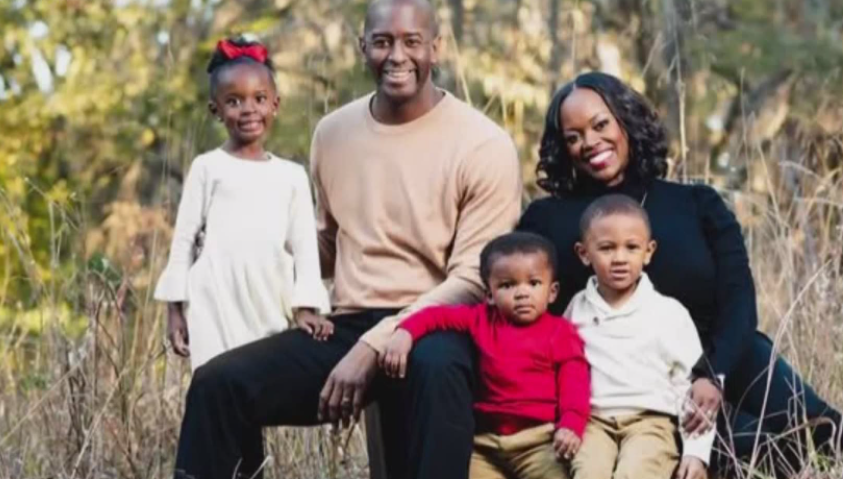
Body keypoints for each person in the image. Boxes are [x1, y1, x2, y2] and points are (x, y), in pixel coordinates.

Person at [170, 1, 522, 478]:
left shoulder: (484, 144)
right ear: (363, 49)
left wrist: (377, 345)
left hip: (437, 327)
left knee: (438, 368)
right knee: (218, 385)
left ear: (436, 48)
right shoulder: (333, 134)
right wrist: (241, 244)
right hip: (349, 326)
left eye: (411, 42)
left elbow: (473, 280)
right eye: (382, 42)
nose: (397, 55)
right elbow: (330, 245)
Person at [518, 71, 843, 477]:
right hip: (635, 388)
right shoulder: (547, 221)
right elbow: (527, 311)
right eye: (573, 136)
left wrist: (714, 374)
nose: (589, 143)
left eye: (600, 125)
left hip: (723, 360)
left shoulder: (697, 204)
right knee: (760, 450)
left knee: (825, 433)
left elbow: (739, 300)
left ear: (626, 120)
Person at [155, 36, 331, 371]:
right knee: (216, 385)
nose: (248, 109)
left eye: (259, 99)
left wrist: (307, 306)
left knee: (257, 390)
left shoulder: (292, 175)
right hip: (215, 300)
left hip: (268, 299)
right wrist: (175, 310)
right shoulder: (207, 168)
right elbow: (184, 241)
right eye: (234, 101)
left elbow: (306, 248)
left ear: (275, 104)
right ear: (216, 110)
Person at [381, 232, 590, 479]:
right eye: (507, 285)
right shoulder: (479, 319)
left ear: (552, 291)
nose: (522, 293)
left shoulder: (560, 332)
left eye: (533, 283)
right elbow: (436, 316)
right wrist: (405, 332)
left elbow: (575, 383)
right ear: (489, 294)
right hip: (485, 443)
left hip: (539, 440)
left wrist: (571, 425)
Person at [564, 195, 713, 479]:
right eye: (606, 248)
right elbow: (560, 368)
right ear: (584, 253)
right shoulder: (576, 309)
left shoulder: (668, 313)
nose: (620, 258)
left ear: (648, 251)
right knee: (588, 473)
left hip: (651, 422)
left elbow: (691, 387)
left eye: (631, 247)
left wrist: (696, 452)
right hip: (592, 423)